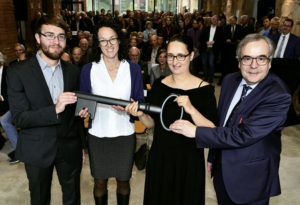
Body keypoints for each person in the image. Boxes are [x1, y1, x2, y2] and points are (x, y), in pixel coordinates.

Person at [169, 34, 292, 205]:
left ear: (270, 62)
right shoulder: (229, 81)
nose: (253, 65)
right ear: (239, 61)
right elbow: (222, 124)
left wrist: (196, 131)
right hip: (222, 172)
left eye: (261, 58)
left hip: (251, 180)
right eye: (247, 58)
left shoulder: (278, 96)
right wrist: (213, 156)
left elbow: (243, 134)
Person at [125, 34, 218, 205]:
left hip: (188, 162)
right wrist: (140, 116)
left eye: (181, 55)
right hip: (161, 158)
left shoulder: (204, 90)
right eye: (170, 55)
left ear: (191, 55)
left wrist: (191, 109)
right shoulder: (159, 85)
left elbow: (212, 130)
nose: (175, 61)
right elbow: (153, 123)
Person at [7, 15, 87, 205]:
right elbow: (19, 118)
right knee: (40, 198)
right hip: (37, 149)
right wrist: (55, 108)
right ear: (37, 38)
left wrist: (82, 114)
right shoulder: (18, 72)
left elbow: (75, 113)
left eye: (61, 37)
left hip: (69, 149)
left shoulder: (72, 71)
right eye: (49, 35)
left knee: (72, 197)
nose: (56, 42)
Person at [79, 21, 144, 205]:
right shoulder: (88, 69)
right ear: (97, 44)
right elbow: (85, 104)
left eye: (112, 39)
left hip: (124, 134)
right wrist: (84, 112)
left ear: (119, 40)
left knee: (124, 181)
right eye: (103, 40)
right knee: (99, 182)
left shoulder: (132, 69)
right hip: (98, 135)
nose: (109, 44)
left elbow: (140, 102)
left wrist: (131, 108)